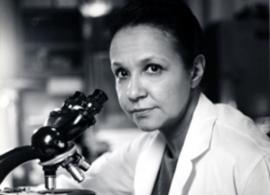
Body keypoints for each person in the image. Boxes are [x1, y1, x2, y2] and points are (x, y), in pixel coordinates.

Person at [57, 0, 270, 194]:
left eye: (152, 68)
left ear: (195, 71)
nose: (133, 92)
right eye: (122, 73)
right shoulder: (146, 147)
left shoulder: (249, 158)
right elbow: (82, 183)